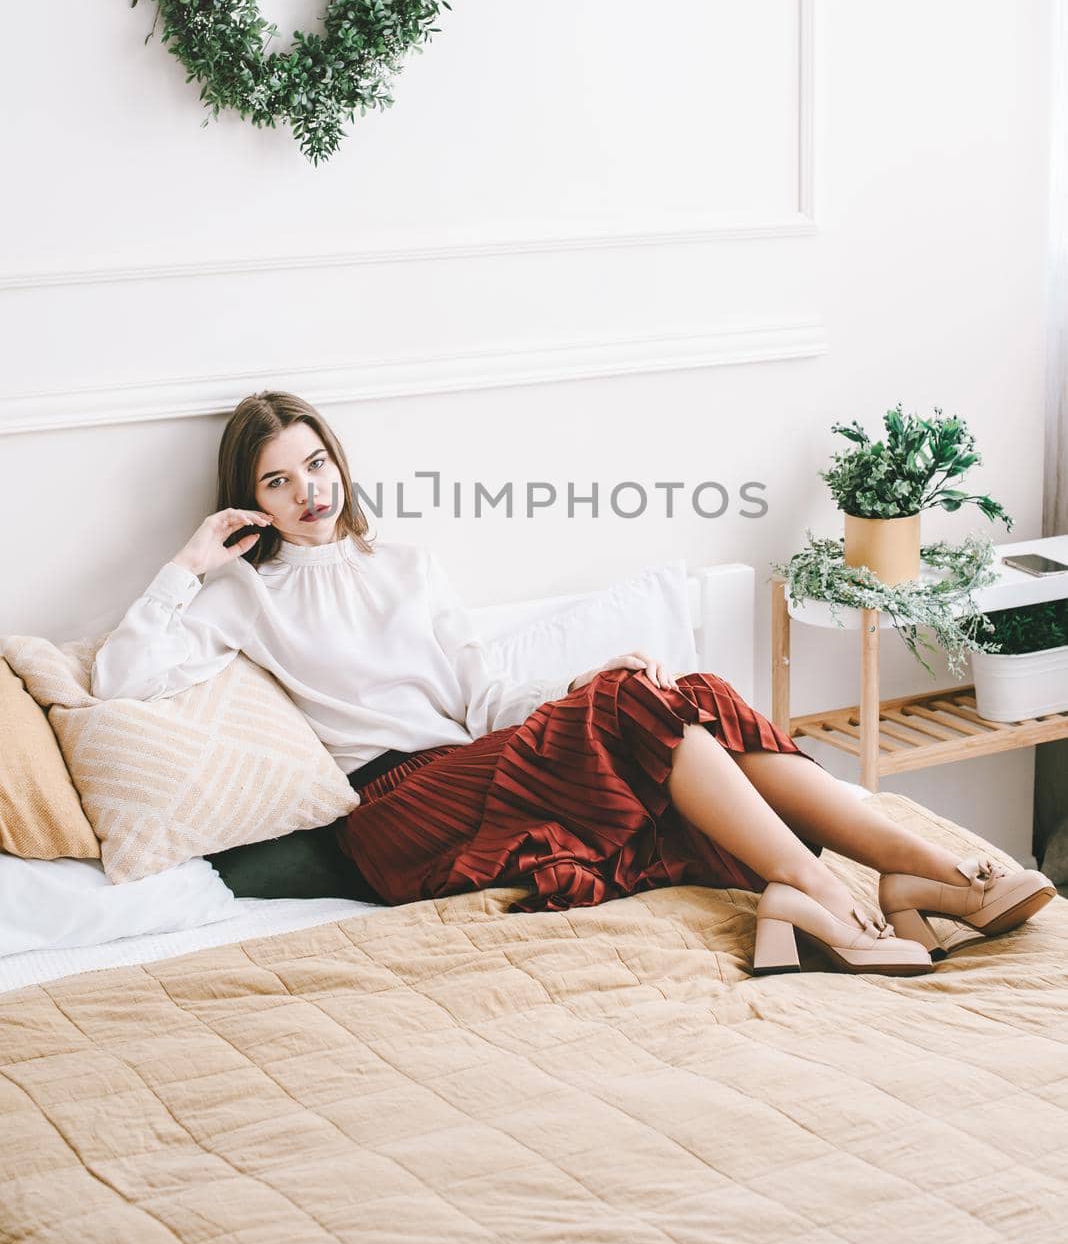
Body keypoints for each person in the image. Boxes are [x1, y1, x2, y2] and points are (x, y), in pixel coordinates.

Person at [90, 389, 1055, 977]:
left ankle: (901, 866)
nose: (310, 491)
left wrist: (585, 689)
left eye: (316, 463)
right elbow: (120, 678)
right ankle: (813, 887)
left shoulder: (406, 565)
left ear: (339, 462)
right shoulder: (244, 595)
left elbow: (483, 701)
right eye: (277, 482)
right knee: (643, 710)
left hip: (474, 764)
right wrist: (188, 563)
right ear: (246, 501)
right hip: (391, 812)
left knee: (699, 692)